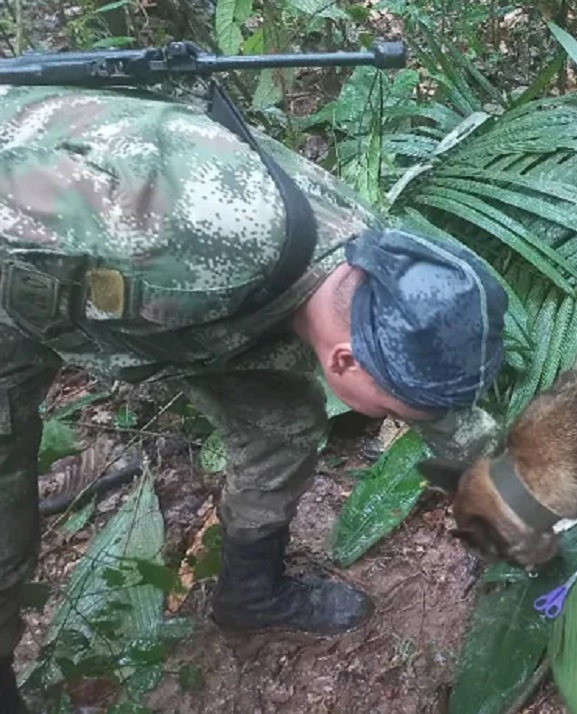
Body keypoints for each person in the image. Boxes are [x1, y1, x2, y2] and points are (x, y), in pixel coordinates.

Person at [0, 81, 508, 713]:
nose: (397, 423)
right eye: (393, 414)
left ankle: (250, 593)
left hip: (168, 302)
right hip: (23, 268)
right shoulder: (186, 250)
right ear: (343, 360)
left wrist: (515, 501)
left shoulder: (374, 269)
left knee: (283, 427)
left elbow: (439, 404)